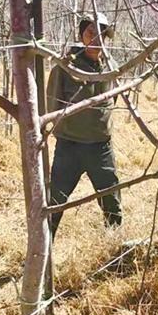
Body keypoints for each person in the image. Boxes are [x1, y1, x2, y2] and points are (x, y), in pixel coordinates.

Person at [47, 12, 122, 235]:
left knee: (111, 201)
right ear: (81, 35)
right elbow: (52, 106)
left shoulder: (111, 66)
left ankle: (112, 245)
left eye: (101, 34)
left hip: (101, 147)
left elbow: (114, 100)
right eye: (91, 32)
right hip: (69, 147)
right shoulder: (65, 67)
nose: (96, 38)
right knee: (55, 202)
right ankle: (44, 249)